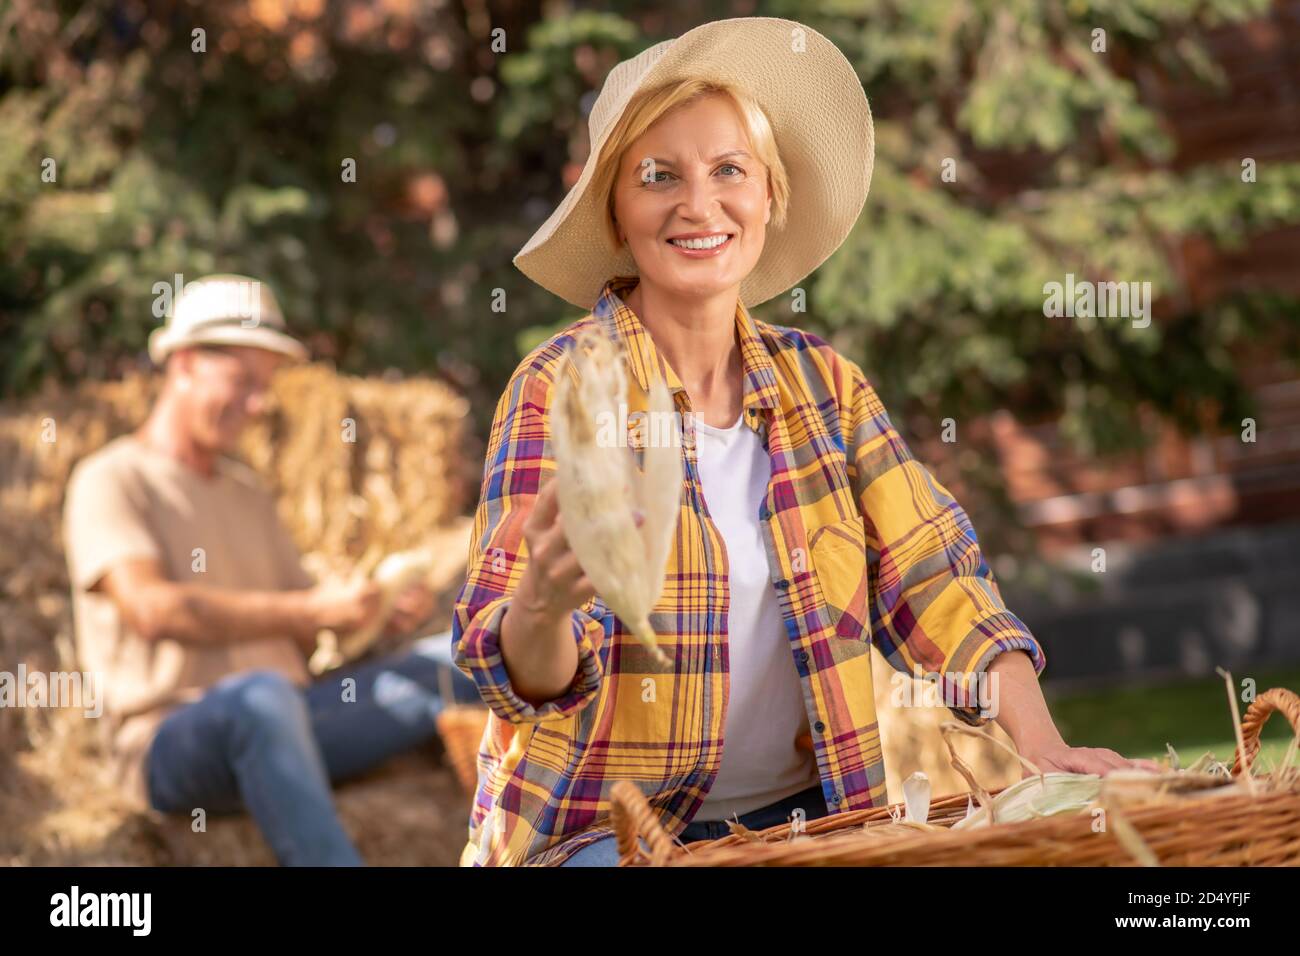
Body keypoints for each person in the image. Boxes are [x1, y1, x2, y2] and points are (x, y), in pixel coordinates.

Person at [452, 17, 1159, 868]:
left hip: (810, 825)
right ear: (616, 210)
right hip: (601, 837)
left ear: (769, 196)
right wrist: (543, 602)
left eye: (728, 171)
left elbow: (935, 585)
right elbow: (513, 675)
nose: (697, 203)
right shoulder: (559, 389)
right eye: (658, 176)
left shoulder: (826, 388)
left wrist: (1044, 750)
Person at [63, 273, 482, 866]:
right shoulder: (111, 479)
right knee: (260, 702)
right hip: (173, 742)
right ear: (183, 364)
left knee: (468, 652)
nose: (257, 405)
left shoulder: (246, 493)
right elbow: (152, 609)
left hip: (297, 717)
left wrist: (373, 616)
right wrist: (314, 610)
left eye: (264, 387)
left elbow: (308, 626)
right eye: (241, 382)